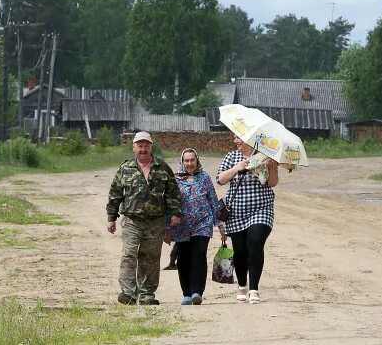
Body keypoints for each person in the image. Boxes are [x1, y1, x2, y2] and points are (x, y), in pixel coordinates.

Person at [105, 131, 182, 306]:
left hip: (156, 222)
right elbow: (115, 194)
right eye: (139, 145)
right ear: (133, 148)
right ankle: (128, 293)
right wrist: (111, 217)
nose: (143, 149)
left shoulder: (162, 167)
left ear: (151, 147)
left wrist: (175, 214)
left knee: (151, 258)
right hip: (132, 221)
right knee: (129, 255)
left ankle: (147, 294)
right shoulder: (125, 169)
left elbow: (173, 193)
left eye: (146, 145)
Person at [216, 135, 278, 304]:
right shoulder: (231, 157)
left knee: (255, 241)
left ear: (251, 140)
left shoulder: (266, 156)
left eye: (239, 139)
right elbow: (220, 179)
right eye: (235, 138)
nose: (236, 141)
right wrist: (237, 167)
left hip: (261, 208)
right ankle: (242, 285)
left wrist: (271, 168)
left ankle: (254, 289)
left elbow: (272, 183)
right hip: (236, 211)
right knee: (241, 251)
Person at [170, 148, 226, 305]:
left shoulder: (204, 177)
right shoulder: (175, 179)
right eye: (186, 161)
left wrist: (219, 224)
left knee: (199, 253)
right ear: (182, 162)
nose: (189, 163)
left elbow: (213, 201)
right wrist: (167, 224)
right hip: (182, 225)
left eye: (192, 160)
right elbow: (170, 201)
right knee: (183, 257)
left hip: (203, 222)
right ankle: (186, 293)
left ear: (197, 161)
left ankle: (197, 292)